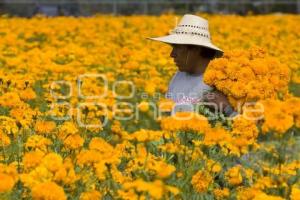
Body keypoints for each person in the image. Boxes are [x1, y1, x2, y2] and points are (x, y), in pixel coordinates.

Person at [148, 14, 236, 117]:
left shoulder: (224, 81)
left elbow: (248, 124)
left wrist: (227, 109)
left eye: (177, 48)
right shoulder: (178, 76)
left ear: (196, 49)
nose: (172, 54)